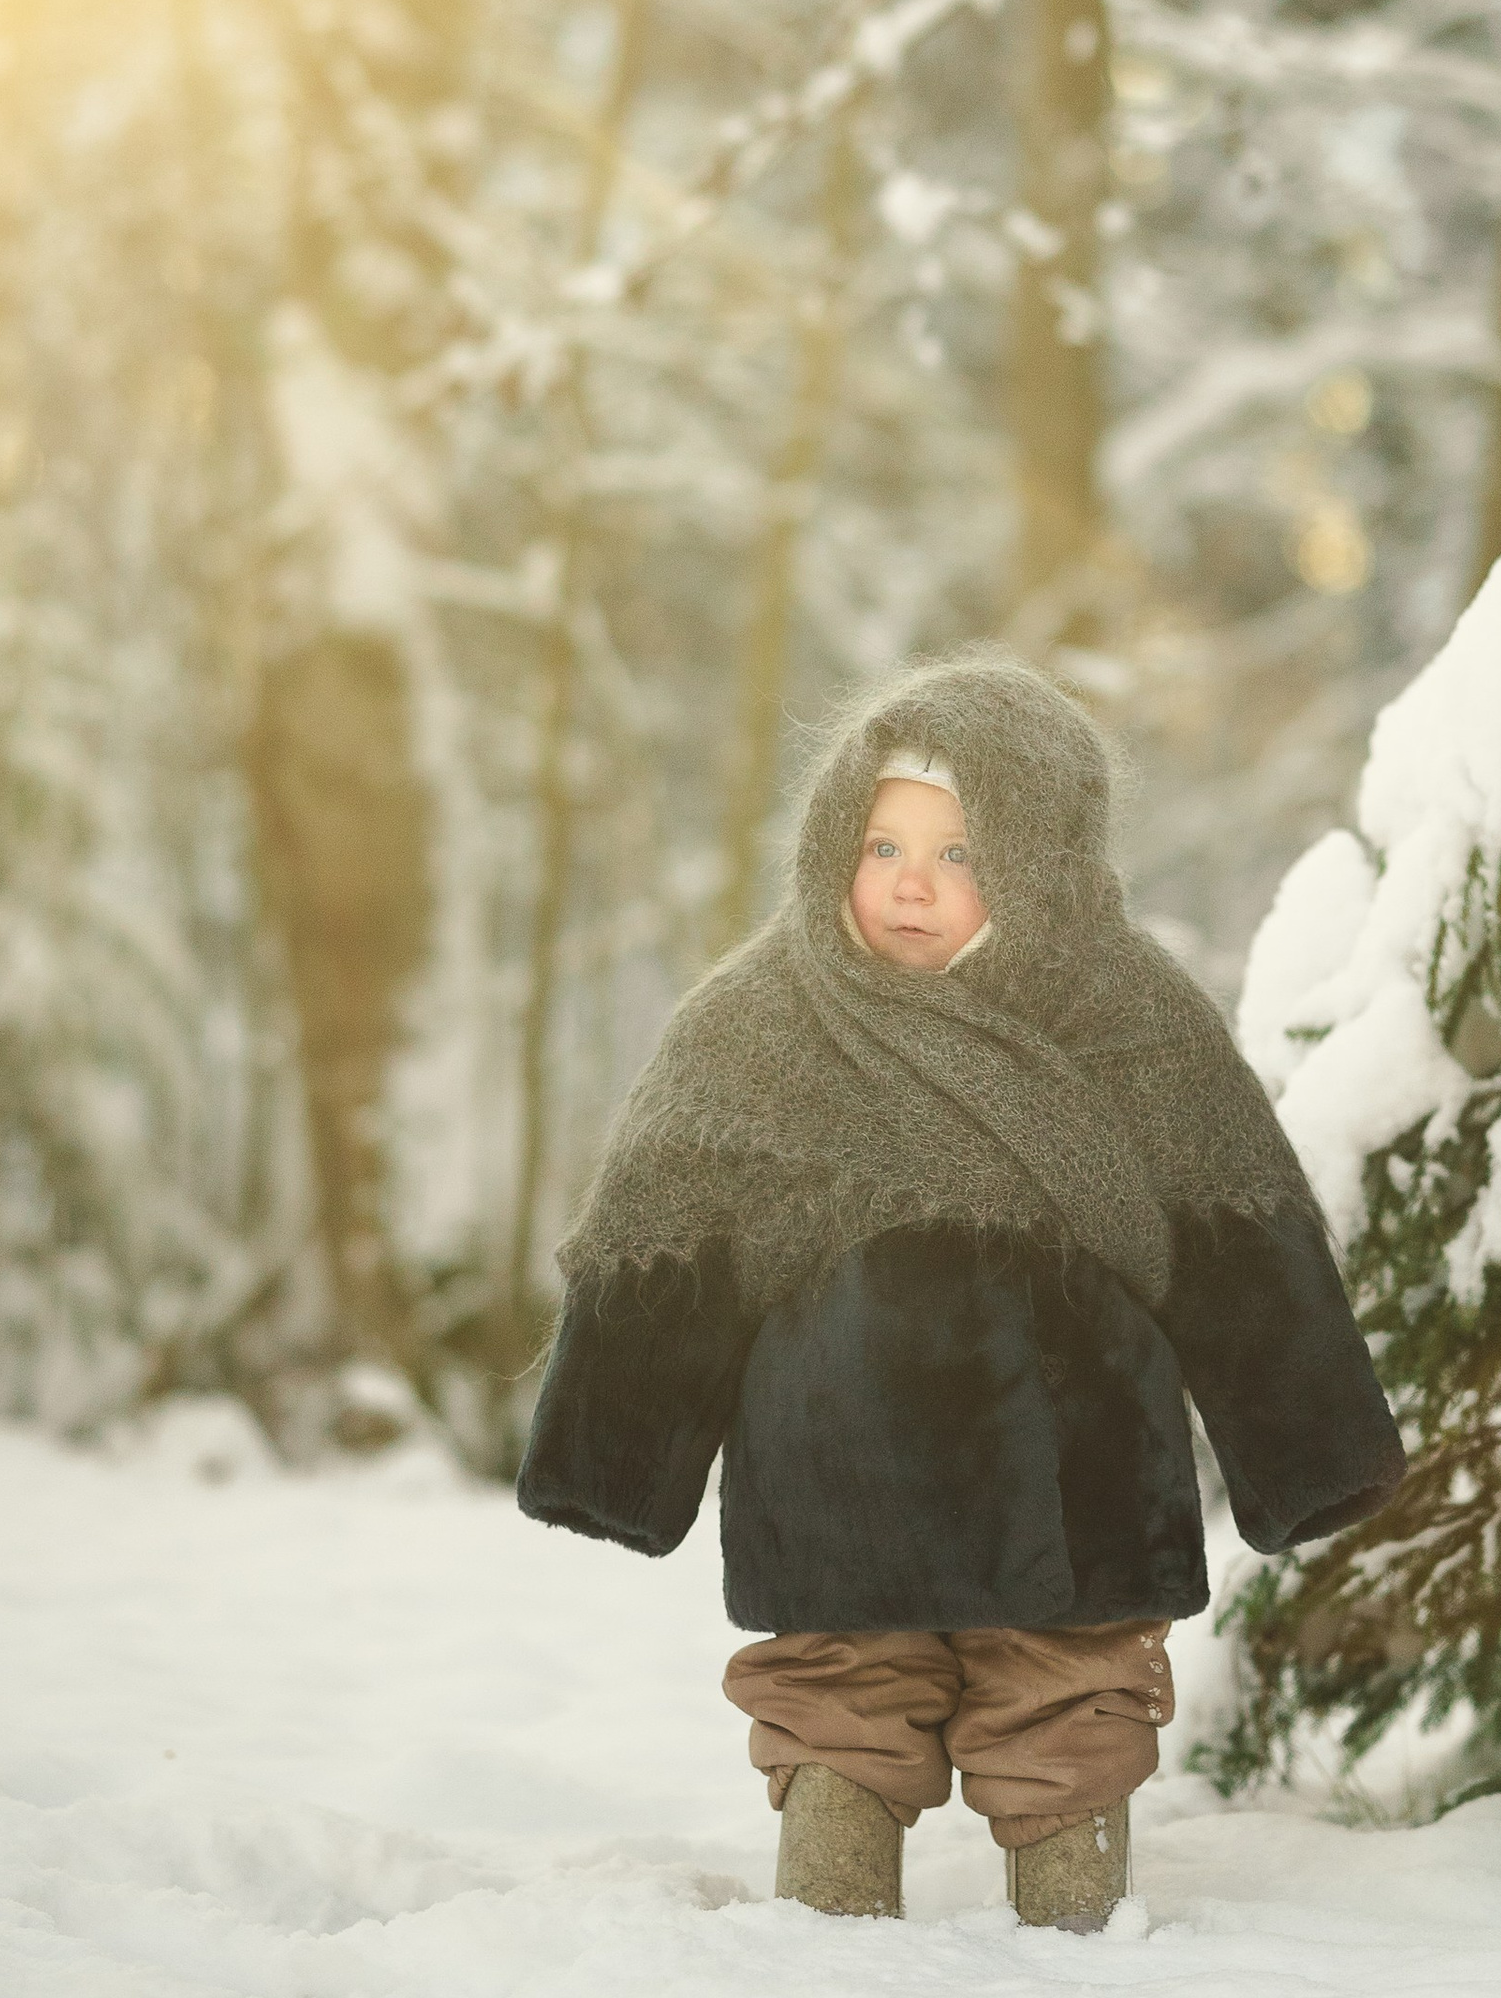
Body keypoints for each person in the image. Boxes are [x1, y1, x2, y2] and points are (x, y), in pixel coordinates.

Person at [515, 652, 1404, 1929]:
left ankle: (1076, 1900)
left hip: (1079, 1480)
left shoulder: (1135, 1018)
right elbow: (671, 1244)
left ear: (1043, 861)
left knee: (1073, 1696)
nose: (911, 883)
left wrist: (1308, 1451)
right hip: (837, 1483)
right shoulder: (758, 1023)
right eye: (881, 844)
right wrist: (610, 1457)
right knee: (835, 1697)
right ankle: (827, 1902)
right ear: (832, 841)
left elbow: (1240, 1246)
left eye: (962, 850)